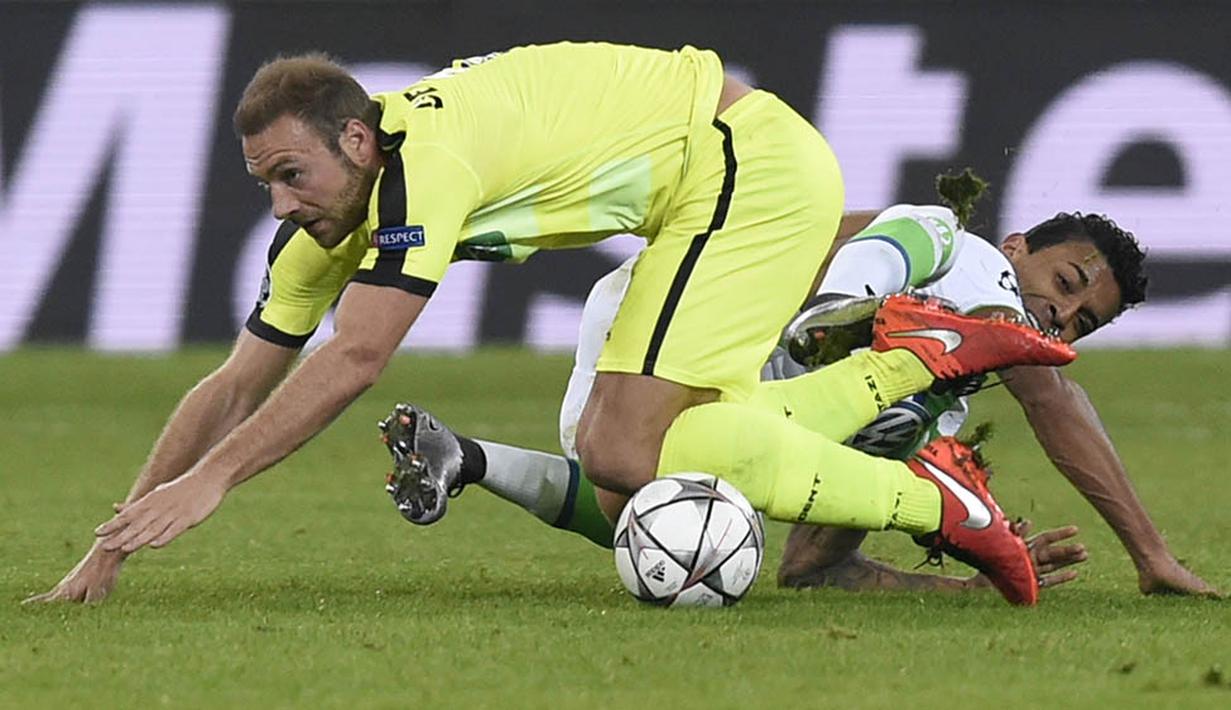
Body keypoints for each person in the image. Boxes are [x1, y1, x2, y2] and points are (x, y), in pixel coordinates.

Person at [28, 42, 1069, 606]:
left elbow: (355, 357)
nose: (281, 205)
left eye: (291, 175)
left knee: (626, 441)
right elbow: (234, 381)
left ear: (356, 137)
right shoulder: (329, 218)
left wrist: (212, 481)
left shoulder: (423, 166)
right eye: (263, 184)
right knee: (632, 483)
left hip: (741, 164)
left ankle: (934, 500)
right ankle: (919, 362)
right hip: (700, 186)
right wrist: (115, 542)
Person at [428, 201, 1215, 597]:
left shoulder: (928, 412)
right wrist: (1149, 554)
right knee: (931, 251)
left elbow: (811, 571)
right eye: (1065, 285)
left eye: (1083, 320)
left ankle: (466, 458)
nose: (1060, 314)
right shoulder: (973, 262)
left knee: (659, 515)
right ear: (1019, 249)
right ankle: (835, 316)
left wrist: (965, 587)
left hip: (734, 393)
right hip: (678, 318)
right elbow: (1049, 395)